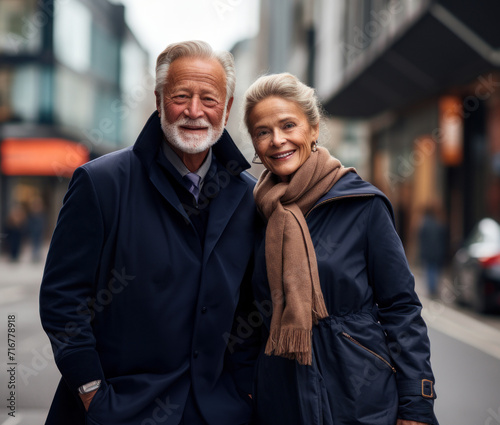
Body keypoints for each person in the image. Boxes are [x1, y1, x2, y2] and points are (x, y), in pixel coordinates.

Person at [40, 40, 259, 425]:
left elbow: (255, 308)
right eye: (180, 96)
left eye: (209, 99)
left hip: (217, 411)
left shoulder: (247, 196)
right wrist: (92, 392)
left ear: (226, 108)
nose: (194, 111)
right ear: (159, 101)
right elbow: (63, 300)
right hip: (121, 408)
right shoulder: (100, 183)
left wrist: (244, 390)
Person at [243, 73, 439, 425]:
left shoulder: (361, 204)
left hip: (359, 398)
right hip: (279, 401)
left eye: (289, 125)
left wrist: (416, 402)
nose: (277, 140)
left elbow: (401, 308)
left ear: (314, 129)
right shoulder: (254, 213)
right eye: (262, 131)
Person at [418, 205, 448, 298]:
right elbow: (443, 237)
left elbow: (421, 238)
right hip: (437, 251)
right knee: (435, 270)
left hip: (428, 251)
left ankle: (432, 289)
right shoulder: (438, 224)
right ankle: (433, 288)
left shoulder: (424, 224)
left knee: (430, 270)